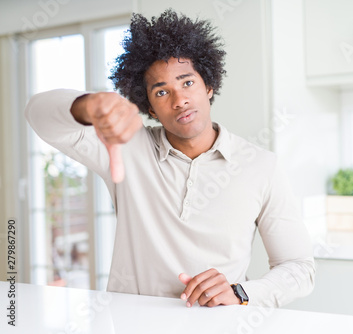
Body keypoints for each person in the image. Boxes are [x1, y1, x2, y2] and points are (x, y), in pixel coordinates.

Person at [25, 9, 314, 308]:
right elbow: (37, 113)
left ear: (209, 85)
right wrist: (87, 106)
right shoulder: (127, 147)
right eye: (162, 92)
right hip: (131, 326)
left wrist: (241, 292)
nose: (180, 101)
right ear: (149, 107)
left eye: (187, 83)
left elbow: (299, 267)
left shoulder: (261, 166)